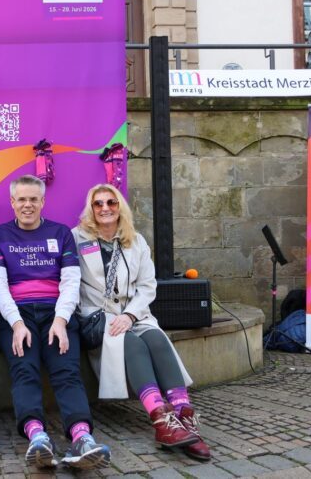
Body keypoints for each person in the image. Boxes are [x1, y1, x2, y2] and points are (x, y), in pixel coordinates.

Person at [71, 183, 210, 461]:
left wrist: (130, 314)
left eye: (111, 202)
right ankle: (161, 420)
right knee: (132, 344)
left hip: (134, 313)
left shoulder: (136, 240)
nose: (105, 208)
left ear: (119, 206)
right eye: (98, 204)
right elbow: (69, 281)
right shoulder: (77, 238)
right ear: (91, 209)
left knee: (158, 339)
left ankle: (183, 416)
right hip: (100, 318)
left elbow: (148, 286)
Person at [0, 174, 110, 470]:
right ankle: (37, 437)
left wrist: (61, 320)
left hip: (57, 313)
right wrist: (16, 324)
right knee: (24, 369)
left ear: (43, 201)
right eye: (22, 199)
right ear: (12, 202)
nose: (27, 205)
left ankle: (82, 438)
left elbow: (71, 281)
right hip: (17, 315)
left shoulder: (61, 233)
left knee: (67, 371)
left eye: (33, 199)